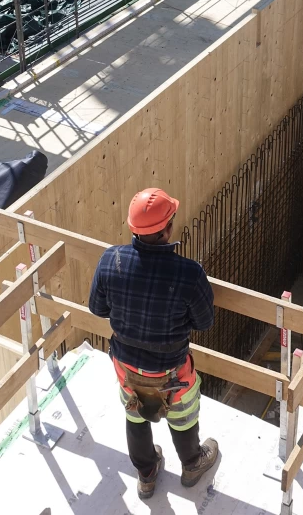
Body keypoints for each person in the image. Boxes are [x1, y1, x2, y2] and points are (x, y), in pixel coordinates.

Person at [89, 187, 219, 499]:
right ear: (168, 228)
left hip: (126, 365)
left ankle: (146, 474)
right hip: (170, 370)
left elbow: (98, 308)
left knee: (134, 411)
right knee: (183, 413)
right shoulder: (189, 273)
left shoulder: (111, 260)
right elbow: (204, 322)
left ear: (133, 228)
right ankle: (192, 464)